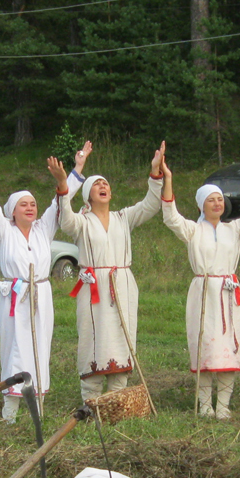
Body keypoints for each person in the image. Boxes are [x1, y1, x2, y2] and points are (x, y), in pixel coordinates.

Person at [0, 140, 88, 423]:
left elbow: (61, 202)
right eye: (24, 204)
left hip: (41, 294)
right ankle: (10, 411)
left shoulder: (44, 228)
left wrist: (77, 168)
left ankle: (39, 405)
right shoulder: (3, 230)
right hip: (15, 295)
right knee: (14, 346)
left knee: (40, 345)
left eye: (33, 203)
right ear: (12, 210)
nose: (30, 208)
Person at [159, 153, 240, 419]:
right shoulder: (192, 231)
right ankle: (205, 404)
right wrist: (168, 179)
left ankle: (224, 406)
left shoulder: (235, 228)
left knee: (228, 348)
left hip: (229, 294)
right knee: (205, 346)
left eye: (220, 198)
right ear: (201, 205)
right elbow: (170, 216)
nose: (218, 203)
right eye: (211, 199)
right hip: (204, 293)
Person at [55, 142, 166, 401]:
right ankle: (91, 399)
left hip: (123, 285)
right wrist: (63, 185)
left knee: (122, 334)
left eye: (106, 183)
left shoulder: (123, 218)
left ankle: (118, 397)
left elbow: (151, 205)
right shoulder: (81, 222)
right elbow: (65, 217)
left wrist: (155, 172)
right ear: (87, 195)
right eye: (97, 184)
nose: (103, 186)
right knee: (93, 336)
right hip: (93, 287)